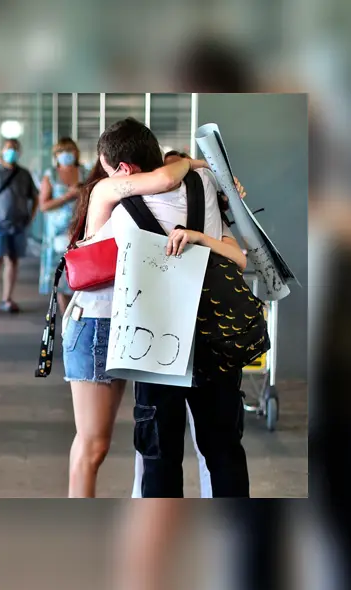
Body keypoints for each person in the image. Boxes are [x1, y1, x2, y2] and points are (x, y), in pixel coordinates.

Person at [93, 119, 250, 498]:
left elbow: (92, 265)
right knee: (224, 449)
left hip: (154, 342)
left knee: (160, 455)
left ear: (124, 170)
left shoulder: (120, 212)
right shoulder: (207, 185)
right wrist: (198, 166)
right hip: (216, 335)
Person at [60, 119, 211, 497]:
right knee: (94, 445)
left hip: (143, 321)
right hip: (97, 323)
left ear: (123, 165)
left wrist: (198, 169)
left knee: (151, 436)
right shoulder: (107, 189)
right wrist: (195, 163)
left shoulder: (160, 192)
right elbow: (164, 178)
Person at [0, 139, 38, 315]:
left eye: (15, 149)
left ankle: (7, 298)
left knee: (13, 260)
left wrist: (30, 217)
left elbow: (34, 197)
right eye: (9, 149)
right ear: (2, 151)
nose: (12, 152)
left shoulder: (24, 174)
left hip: (18, 224)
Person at [37, 137, 86, 318]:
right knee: (61, 276)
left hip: (80, 231)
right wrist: (68, 196)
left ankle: (80, 314)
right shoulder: (50, 175)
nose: (66, 155)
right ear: (56, 155)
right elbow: (44, 205)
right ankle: (67, 319)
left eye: (70, 151)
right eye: (62, 151)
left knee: (81, 273)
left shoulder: (85, 173)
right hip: (57, 233)